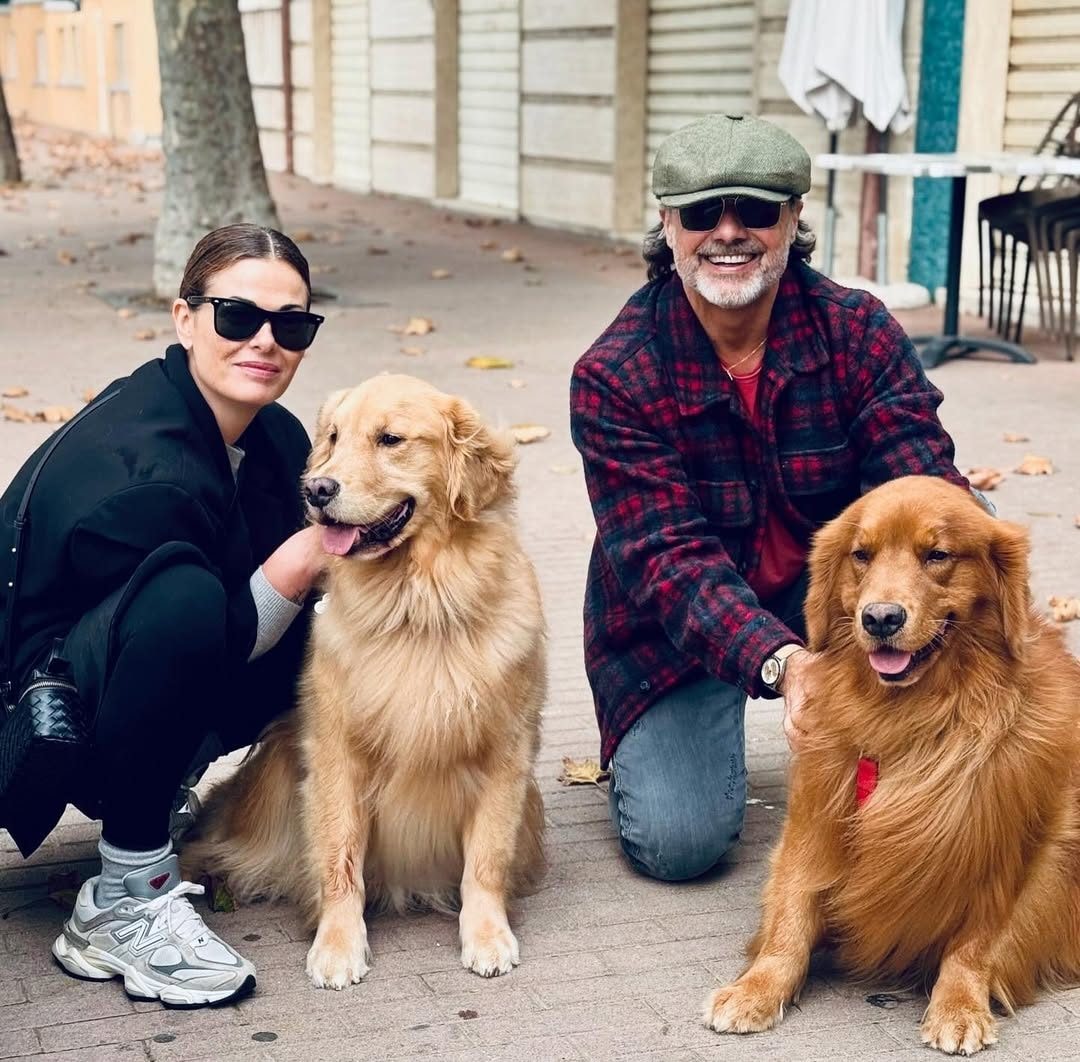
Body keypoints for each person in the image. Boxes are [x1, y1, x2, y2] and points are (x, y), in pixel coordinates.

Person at [569, 113, 972, 884]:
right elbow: (669, 562)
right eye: (702, 213)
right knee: (680, 844)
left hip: (843, 603)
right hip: (675, 628)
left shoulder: (858, 332)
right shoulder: (614, 373)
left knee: (956, 719)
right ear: (668, 224)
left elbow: (924, 483)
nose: (729, 233)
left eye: (755, 210)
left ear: (792, 218)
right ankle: (665, 743)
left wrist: (969, 593)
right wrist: (783, 664)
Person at [0, 223, 329, 1006]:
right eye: (237, 316)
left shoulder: (272, 435)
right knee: (185, 597)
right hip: (25, 727)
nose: (265, 341)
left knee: (327, 635)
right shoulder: (146, 468)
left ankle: (152, 784)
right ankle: (125, 896)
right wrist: (305, 555)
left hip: (97, 683)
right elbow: (205, 638)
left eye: (291, 324)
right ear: (185, 319)